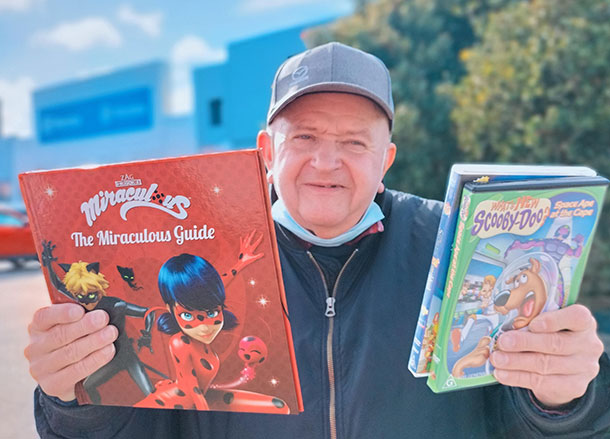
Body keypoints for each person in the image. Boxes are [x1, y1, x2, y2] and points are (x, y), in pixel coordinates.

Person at [25, 42, 610, 438]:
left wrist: (565, 400)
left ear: (387, 159)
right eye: (304, 137)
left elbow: (531, 420)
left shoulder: (460, 249)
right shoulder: (196, 259)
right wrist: (73, 398)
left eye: (355, 142)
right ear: (265, 150)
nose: (326, 162)